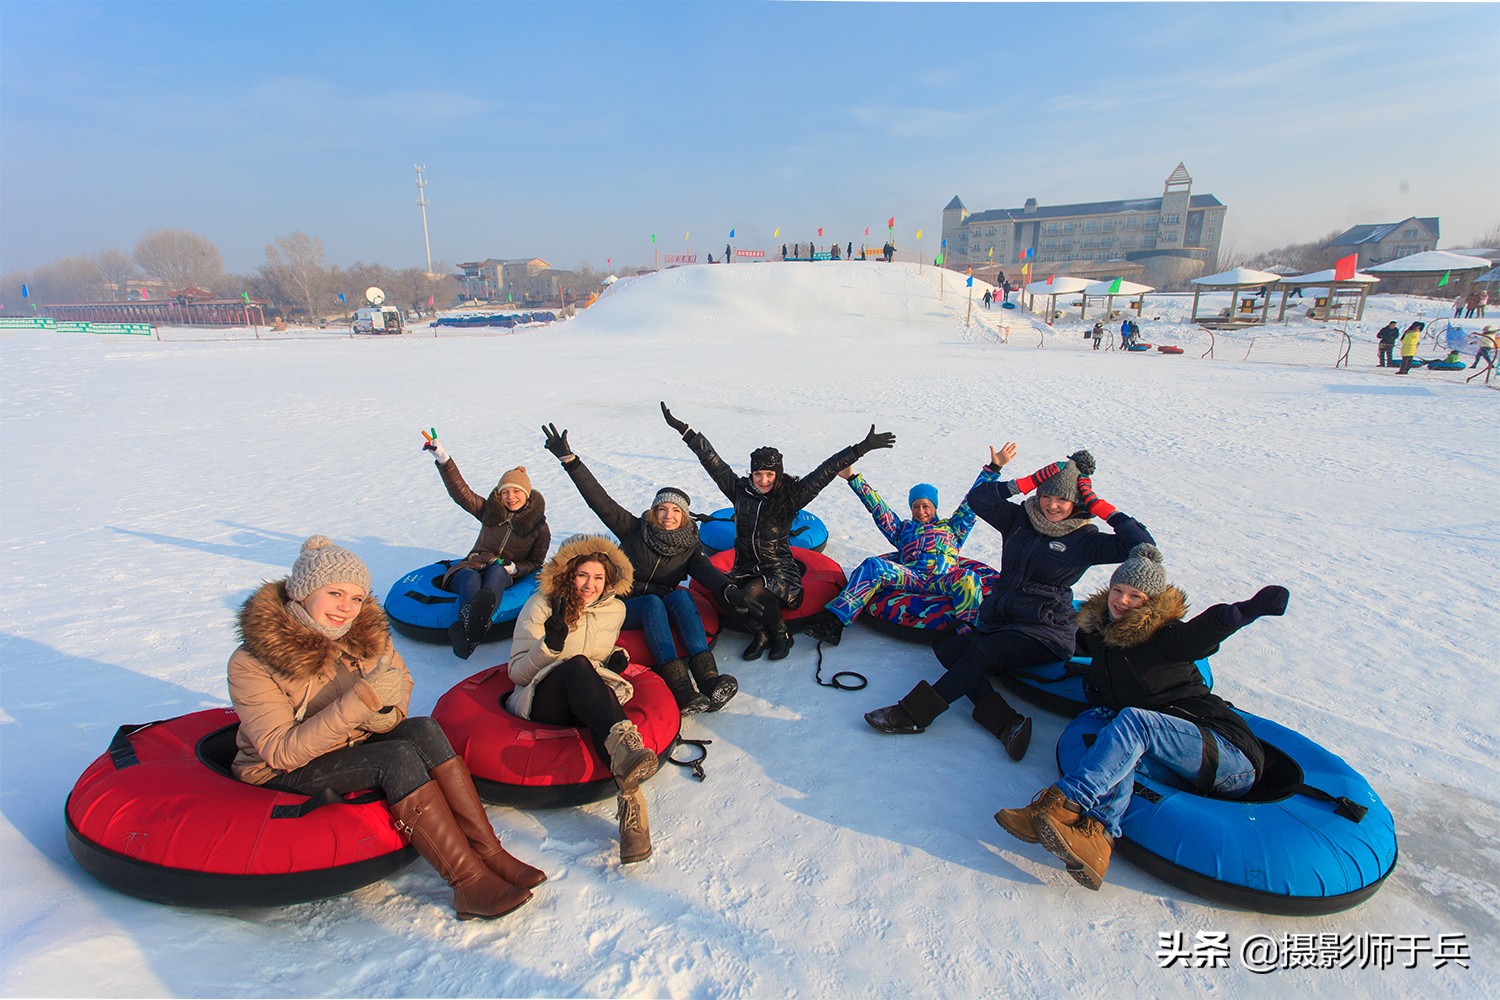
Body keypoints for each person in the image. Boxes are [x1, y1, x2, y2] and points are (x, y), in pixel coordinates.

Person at [228, 536, 543, 920]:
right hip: (280, 769)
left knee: (423, 729)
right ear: (303, 592)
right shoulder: (253, 660)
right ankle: (468, 882)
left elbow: (400, 679)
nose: (347, 608)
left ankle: (490, 852)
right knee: (394, 757)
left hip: (345, 739)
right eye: (335, 593)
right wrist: (362, 702)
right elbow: (281, 751)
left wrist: (387, 714)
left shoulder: (363, 633)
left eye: (357, 598)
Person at [994, 544, 1287, 890]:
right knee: (1117, 751)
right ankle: (1098, 839)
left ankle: (1061, 803)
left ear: (1150, 602)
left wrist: (1241, 612)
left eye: (1135, 595)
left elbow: (1198, 636)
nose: (1121, 601)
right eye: (1117, 590)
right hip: (1179, 762)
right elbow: (1065, 636)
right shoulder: (1101, 634)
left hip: (1226, 753)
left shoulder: (1165, 637)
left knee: (1134, 721)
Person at [864, 450, 1153, 762]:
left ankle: (914, 713)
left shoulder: (1085, 539)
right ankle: (1006, 723)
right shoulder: (1019, 520)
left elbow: (1141, 544)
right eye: (1047, 495)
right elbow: (978, 500)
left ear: (1076, 503)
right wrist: (1025, 482)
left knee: (979, 652)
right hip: (1001, 618)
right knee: (948, 647)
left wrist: (1097, 504)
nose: (1052, 505)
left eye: (1063, 500)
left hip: (1044, 630)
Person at [661, 401, 895, 660]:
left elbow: (824, 471)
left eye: (769, 474)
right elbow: (712, 462)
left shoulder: (790, 497)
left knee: (754, 592)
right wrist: (687, 432)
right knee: (730, 594)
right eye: (758, 473)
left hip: (779, 569)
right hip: (744, 566)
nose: (763, 480)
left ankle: (780, 633)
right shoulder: (740, 492)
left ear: (778, 474)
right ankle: (760, 633)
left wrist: (861, 448)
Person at [542, 423, 738, 714]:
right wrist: (571, 461)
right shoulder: (633, 528)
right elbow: (600, 501)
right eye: (663, 510)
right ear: (653, 512)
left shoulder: (688, 545)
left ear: (684, 517)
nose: (668, 516)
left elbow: (706, 572)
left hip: (660, 602)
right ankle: (681, 688)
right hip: (624, 604)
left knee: (681, 597)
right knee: (652, 603)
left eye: (675, 511)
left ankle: (709, 679)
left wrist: (728, 587)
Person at [507, 534, 659, 864]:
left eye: (598, 578)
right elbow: (517, 673)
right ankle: (627, 749)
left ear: (609, 581)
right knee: (578, 666)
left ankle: (632, 811)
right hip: (541, 695)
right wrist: (551, 644)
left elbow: (596, 655)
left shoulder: (614, 610)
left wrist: (612, 660)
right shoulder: (542, 604)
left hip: (583, 691)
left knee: (596, 694)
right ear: (568, 573)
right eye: (582, 575)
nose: (589, 585)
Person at [797, 445, 1014, 646]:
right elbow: (878, 508)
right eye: (916, 506)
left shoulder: (953, 528)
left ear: (934, 507)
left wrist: (994, 468)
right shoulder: (903, 530)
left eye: (926, 506)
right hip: (912, 577)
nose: (921, 511)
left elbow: (972, 501)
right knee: (873, 565)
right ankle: (834, 622)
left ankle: (968, 637)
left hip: (943, 579)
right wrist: (853, 478)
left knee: (968, 578)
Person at [424, 435, 550, 659]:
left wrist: (515, 569)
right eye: (505, 492)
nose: (510, 497)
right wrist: (443, 459)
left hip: (501, 571)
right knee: (471, 579)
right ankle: (473, 624)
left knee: (498, 571)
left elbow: (536, 563)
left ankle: (469, 630)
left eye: (516, 491)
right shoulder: (489, 511)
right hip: (472, 565)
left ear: (527, 494)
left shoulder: (539, 528)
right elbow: (460, 492)